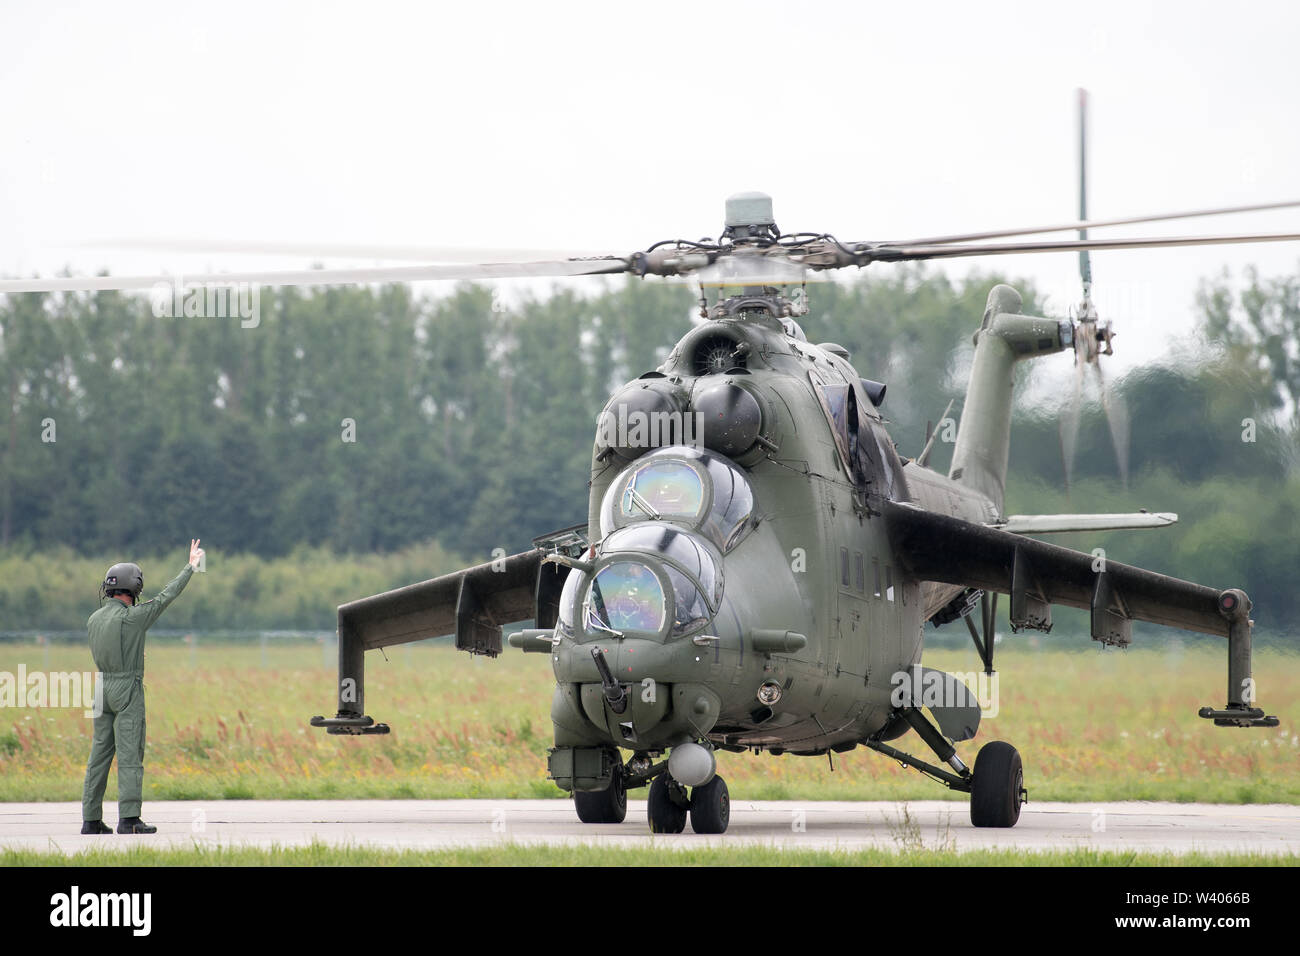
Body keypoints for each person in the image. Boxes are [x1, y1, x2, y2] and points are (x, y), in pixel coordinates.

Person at [81, 539, 204, 835]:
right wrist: (190, 567)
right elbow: (165, 597)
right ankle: (129, 819)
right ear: (134, 588)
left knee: (98, 756)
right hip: (126, 689)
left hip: (101, 689)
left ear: (109, 588)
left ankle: (91, 820)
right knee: (130, 754)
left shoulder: (93, 619)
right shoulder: (134, 618)